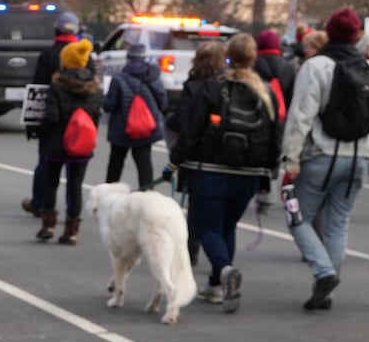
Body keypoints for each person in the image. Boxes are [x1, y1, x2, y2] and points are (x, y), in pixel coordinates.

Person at [281, 8, 369, 312]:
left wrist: (291, 158)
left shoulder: (316, 67)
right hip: (357, 155)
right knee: (338, 223)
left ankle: (323, 272)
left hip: (321, 155)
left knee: (297, 215)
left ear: (329, 32)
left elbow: (301, 116)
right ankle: (326, 288)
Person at [169, 34, 279, 312]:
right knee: (228, 227)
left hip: (211, 168)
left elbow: (191, 130)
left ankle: (224, 270)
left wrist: (175, 161)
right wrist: (269, 172)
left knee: (208, 227)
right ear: (254, 58)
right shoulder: (265, 92)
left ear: (229, 56)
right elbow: (275, 134)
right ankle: (216, 285)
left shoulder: (211, 88)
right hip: (250, 170)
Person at [32, 39, 103, 244]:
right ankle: (72, 230)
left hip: (57, 142)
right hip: (82, 144)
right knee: (75, 185)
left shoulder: (58, 85)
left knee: (51, 182)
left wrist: (43, 129)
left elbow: (52, 117)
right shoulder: (94, 87)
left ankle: (48, 224)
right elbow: (96, 116)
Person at [21, 11, 82, 214]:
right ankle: (73, 213)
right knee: (75, 173)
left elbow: (37, 92)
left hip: (52, 120)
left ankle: (41, 204)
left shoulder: (47, 55)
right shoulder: (86, 57)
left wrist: (32, 123)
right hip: (78, 123)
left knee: (46, 164)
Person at [102, 40, 167, 191]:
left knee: (115, 165)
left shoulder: (119, 78)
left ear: (129, 57)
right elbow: (162, 103)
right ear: (144, 57)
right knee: (144, 165)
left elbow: (109, 105)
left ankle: (109, 196)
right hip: (146, 129)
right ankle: (146, 197)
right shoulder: (154, 77)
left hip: (121, 129)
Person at [254, 29, 298, 131]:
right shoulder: (288, 66)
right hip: (281, 118)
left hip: (257, 119)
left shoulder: (253, 64)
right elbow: (291, 95)